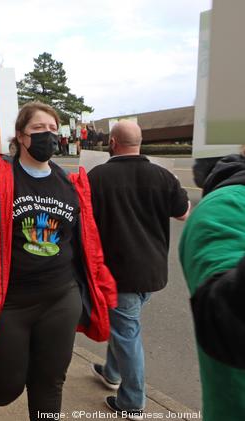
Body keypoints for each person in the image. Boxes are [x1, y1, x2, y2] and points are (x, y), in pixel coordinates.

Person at [0, 102, 116, 421]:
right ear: (21, 136)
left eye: (52, 129)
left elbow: (89, 244)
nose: (48, 135)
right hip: (7, 303)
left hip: (60, 299)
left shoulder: (71, 184)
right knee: (6, 385)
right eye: (38, 129)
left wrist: (102, 285)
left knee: (50, 383)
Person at [87, 120, 190, 419]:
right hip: (153, 272)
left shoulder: (97, 176)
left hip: (119, 274)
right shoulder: (163, 176)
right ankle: (111, 371)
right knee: (124, 325)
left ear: (113, 143)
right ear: (140, 142)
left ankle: (132, 402)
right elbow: (183, 213)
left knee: (126, 331)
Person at [179, 151, 245, 421]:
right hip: (145, 276)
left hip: (127, 275)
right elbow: (222, 317)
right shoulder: (225, 205)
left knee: (126, 331)